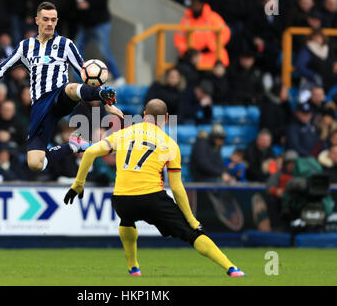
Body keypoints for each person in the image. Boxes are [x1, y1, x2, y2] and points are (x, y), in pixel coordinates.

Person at [63, 99, 246, 277]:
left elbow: (90, 152)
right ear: (166, 118)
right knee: (192, 234)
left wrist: (78, 184)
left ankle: (133, 268)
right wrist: (191, 219)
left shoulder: (123, 133)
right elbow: (176, 187)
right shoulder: (170, 144)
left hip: (122, 199)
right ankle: (231, 268)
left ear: (144, 115)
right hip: (152, 198)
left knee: (126, 221)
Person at [0, 2, 123, 174]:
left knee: (71, 88)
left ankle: (102, 94)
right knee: (36, 163)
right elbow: (5, 66)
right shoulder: (25, 46)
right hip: (40, 106)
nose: (49, 23)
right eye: (45, 19)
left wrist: (105, 99)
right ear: (37, 20)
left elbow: (87, 73)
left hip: (60, 95)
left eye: (53, 20)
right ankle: (74, 146)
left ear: (57, 21)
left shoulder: (65, 45)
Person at [73, 0, 125, 87]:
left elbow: (103, 1)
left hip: (100, 24)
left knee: (104, 51)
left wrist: (89, 4)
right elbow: (73, 5)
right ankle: (81, 78)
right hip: (85, 25)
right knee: (75, 50)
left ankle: (118, 77)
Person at [174, 0, 231, 68]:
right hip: (193, 58)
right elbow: (179, 38)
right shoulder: (186, 19)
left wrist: (212, 45)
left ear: (202, 3)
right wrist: (187, 51)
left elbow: (225, 32)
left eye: (197, 3)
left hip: (212, 55)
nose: (195, 5)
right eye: (193, 3)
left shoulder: (212, 17)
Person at [265, 150, 298, 231]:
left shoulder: (301, 174)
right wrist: (276, 191)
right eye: (289, 163)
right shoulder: (278, 174)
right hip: (282, 200)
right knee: (272, 200)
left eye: (293, 163)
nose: (291, 166)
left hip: (297, 200)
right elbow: (269, 188)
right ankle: (277, 227)